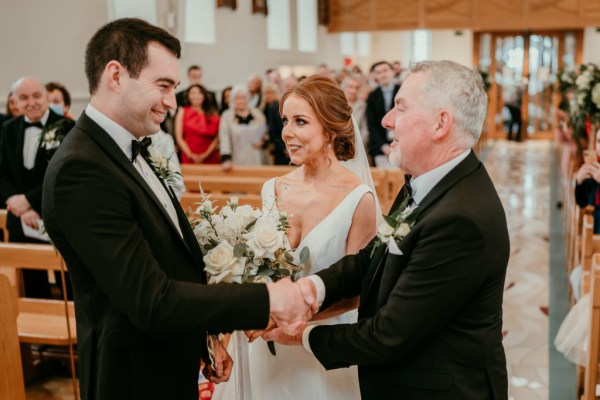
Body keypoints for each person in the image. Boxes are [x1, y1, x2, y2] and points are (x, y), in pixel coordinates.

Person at [41, 18, 315, 400]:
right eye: (164, 86)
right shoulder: (83, 169)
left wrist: (202, 338)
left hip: (166, 359)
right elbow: (149, 300)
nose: (172, 101)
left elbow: (167, 260)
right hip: (132, 378)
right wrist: (267, 298)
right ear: (116, 75)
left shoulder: (127, 148)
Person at [264, 60, 510, 399]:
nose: (385, 120)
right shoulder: (422, 184)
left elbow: (390, 334)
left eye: (400, 107)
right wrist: (311, 290)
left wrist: (302, 335)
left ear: (441, 124)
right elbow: (371, 259)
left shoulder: (460, 217)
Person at [213, 75, 378, 400]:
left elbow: (356, 294)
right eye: (286, 120)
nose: (287, 132)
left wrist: (290, 321)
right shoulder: (272, 188)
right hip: (263, 342)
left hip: (319, 345)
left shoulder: (359, 199)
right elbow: (256, 268)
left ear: (330, 127)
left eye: (300, 121)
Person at [0, 77, 74, 298]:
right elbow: (2, 173)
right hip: (22, 221)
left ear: (46, 97)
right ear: (14, 101)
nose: (31, 102)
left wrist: (29, 201)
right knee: (33, 288)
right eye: (23, 97)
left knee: (69, 285)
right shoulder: (8, 129)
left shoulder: (67, 127)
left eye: (36, 96)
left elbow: (66, 176)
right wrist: (19, 204)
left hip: (57, 217)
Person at [219, 85, 268, 170]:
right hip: (238, 157)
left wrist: (263, 142)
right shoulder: (227, 115)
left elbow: (265, 133)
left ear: (248, 99)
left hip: (258, 157)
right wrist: (226, 158)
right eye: (237, 98)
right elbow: (224, 137)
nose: (240, 101)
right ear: (233, 100)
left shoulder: (257, 113)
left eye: (243, 98)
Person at [174, 84, 220, 164]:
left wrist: (205, 155)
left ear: (204, 96)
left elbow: (217, 137)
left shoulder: (213, 114)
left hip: (210, 156)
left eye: (200, 93)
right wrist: (190, 155)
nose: (197, 95)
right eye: (193, 93)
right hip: (189, 156)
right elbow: (179, 138)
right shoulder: (182, 112)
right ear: (188, 96)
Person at [366, 61, 400, 168]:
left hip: (401, 145)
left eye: (385, 70)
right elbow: (372, 125)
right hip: (381, 149)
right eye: (378, 72)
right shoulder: (372, 96)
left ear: (392, 72)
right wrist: (384, 146)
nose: (382, 74)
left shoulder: (402, 91)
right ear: (375, 76)